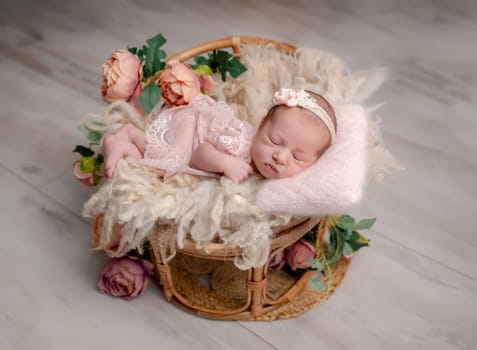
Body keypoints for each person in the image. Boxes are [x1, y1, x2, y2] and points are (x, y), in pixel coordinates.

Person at [103, 88, 337, 183]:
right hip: (191, 136)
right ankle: (131, 134)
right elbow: (199, 154)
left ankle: (123, 147)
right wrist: (226, 162)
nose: (281, 157)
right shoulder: (240, 142)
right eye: (274, 141)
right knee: (168, 157)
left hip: (199, 150)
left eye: (298, 157)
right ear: (262, 124)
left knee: (150, 168)